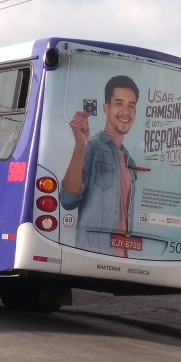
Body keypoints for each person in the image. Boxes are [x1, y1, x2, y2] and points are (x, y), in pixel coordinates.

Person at [60, 75, 139, 257]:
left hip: (123, 258)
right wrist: (80, 146)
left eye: (131, 106)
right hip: (93, 253)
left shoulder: (130, 162)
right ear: (106, 108)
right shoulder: (92, 147)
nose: (125, 111)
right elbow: (68, 200)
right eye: (119, 103)